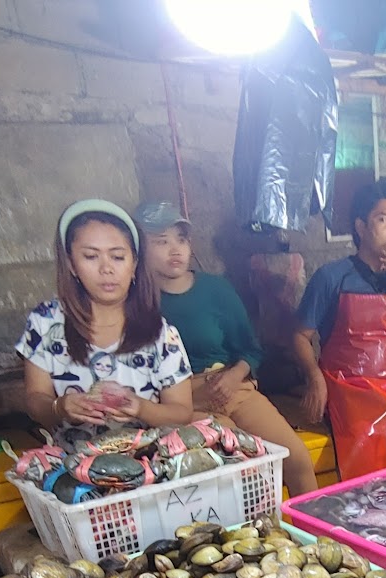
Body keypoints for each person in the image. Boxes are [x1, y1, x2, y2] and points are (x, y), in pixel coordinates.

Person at [136, 201, 319, 495]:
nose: (175, 249)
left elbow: (251, 348)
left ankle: (314, 535)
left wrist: (235, 376)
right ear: (139, 249)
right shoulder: (136, 303)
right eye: (161, 241)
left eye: (181, 239)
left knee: (295, 458)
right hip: (184, 404)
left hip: (233, 387)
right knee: (245, 473)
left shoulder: (215, 290)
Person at [17, 199, 194, 450]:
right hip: (72, 465)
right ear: (71, 265)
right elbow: (35, 401)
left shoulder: (160, 334)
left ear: (133, 265)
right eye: (90, 256)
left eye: (118, 256)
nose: (106, 269)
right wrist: (60, 407)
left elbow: (181, 412)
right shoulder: (46, 323)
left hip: (146, 466)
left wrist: (141, 408)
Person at [292, 181, 386, 479]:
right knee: (371, 443)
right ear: (360, 227)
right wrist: (315, 378)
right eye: (382, 220)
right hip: (347, 388)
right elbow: (300, 337)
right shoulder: (331, 277)